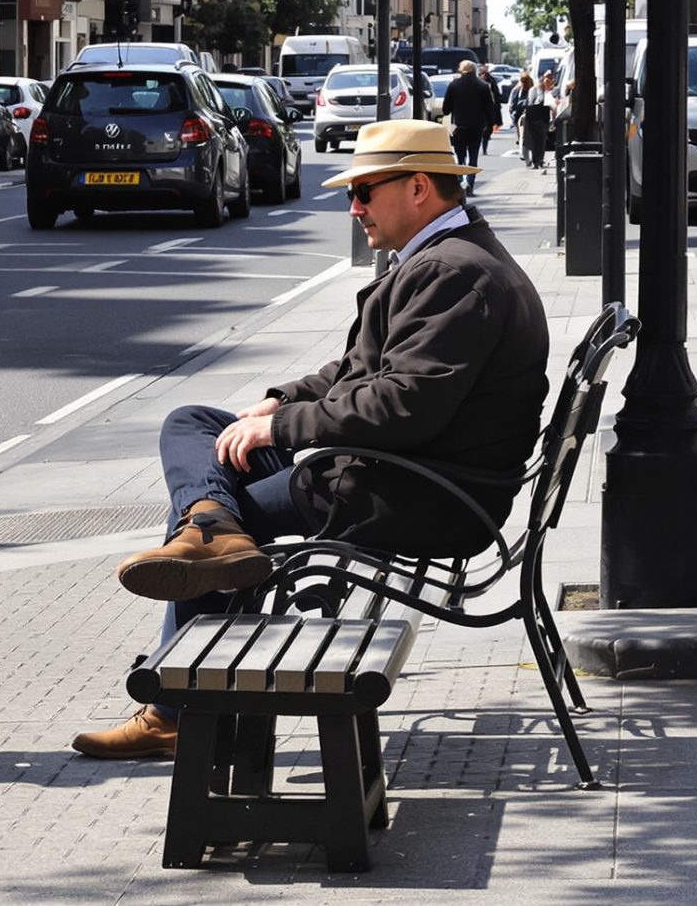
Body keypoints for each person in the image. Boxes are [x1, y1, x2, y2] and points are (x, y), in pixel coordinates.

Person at [71, 120, 550, 760]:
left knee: (221, 516)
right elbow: (359, 371)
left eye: (364, 192)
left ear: (416, 188)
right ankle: (208, 527)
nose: (353, 208)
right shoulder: (444, 259)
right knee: (196, 425)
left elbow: (402, 405)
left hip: (413, 490)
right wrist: (281, 399)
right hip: (396, 469)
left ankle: (175, 704)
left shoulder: (454, 274)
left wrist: (280, 428)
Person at [444, 59, 502, 193]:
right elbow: (489, 108)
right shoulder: (482, 86)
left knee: (459, 156)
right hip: (477, 126)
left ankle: (459, 182)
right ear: (475, 70)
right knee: (473, 155)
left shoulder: (454, 85)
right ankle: (470, 183)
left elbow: (445, 109)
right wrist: (490, 123)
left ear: (461, 70)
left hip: (458, 126)